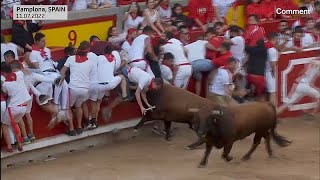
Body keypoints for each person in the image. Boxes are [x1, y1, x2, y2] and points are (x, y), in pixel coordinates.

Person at [27, 32, 69, 128]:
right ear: (36, 42)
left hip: (51, 74)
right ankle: (61, 112)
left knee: (47, 100)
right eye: (42, 41)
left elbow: (49, 63)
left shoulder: (47, 50)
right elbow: (39, 69)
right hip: (46, 75)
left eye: (45, 40)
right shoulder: (33, 54)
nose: (45, 42)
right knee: (48, 99)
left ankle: (59, 113)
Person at [60, 43, 97, 135]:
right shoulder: (91, 63)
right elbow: (92, 76)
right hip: (85, 89)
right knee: (78, 106)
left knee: (68, 108)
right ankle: (79, 127)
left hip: (73, 88)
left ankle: (72, 129)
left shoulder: (71, 59)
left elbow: (62, 71)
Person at [1, 61, 31, 152]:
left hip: (13, 107)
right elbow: (23, 70)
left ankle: (9, 146)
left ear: (4, 73)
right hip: (23, 106)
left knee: (4, 124)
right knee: (15, 123)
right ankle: (20, 144)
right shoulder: (20, 75)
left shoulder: (5, 84)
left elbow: (5, 93)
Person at [265, 32, 279, 106]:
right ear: (275, 39)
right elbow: (273, 64)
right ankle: (273, 110)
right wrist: (274, 73)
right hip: (270, 72)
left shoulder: (264, 46)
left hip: (263, 71)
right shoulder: (272, 50)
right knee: (272, 93)